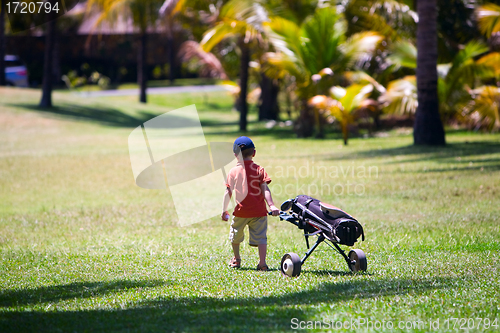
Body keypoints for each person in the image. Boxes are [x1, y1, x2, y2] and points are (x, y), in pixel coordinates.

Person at [221, 136, 280, 271]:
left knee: (235, 235)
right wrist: (271, 205)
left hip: (241, 212)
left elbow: (228, 192)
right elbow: (265, 188)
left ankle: (236, 259)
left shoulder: (233, 171)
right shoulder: (259, 169)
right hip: (259, 212)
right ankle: (262, 263)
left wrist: (224, 209)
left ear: (235, 155)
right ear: (254, 153)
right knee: (261, 238)